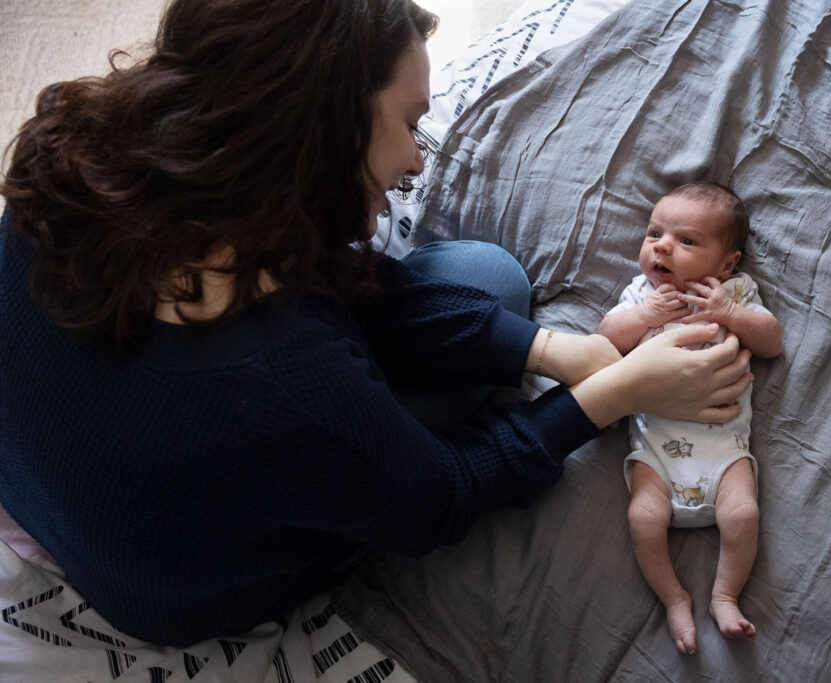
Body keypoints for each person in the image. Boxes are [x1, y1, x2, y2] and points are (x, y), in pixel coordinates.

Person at [0, 0, 752, 647]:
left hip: (41, 471)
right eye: (408, 123)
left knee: (484, 283)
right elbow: (444, 496)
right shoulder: (289, 383)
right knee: (479, 295)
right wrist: (616, 390)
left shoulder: (77, 166)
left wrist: (563, 349)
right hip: (175, 594)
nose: (418, 163)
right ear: (324, 130)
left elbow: (331, 281)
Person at [600, 182, 782, 655]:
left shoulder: (734, 291)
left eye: (686, 240)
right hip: (656, 450)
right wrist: (643, 315)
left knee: (743, 514)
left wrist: (730, 313)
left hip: (723, 449)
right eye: (654, 233)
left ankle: (724, 596)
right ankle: (674, 598)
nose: (661, 245)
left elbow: (771, 341)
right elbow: (608, 338)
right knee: (643, 518)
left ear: (726, 263)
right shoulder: (642, 291)